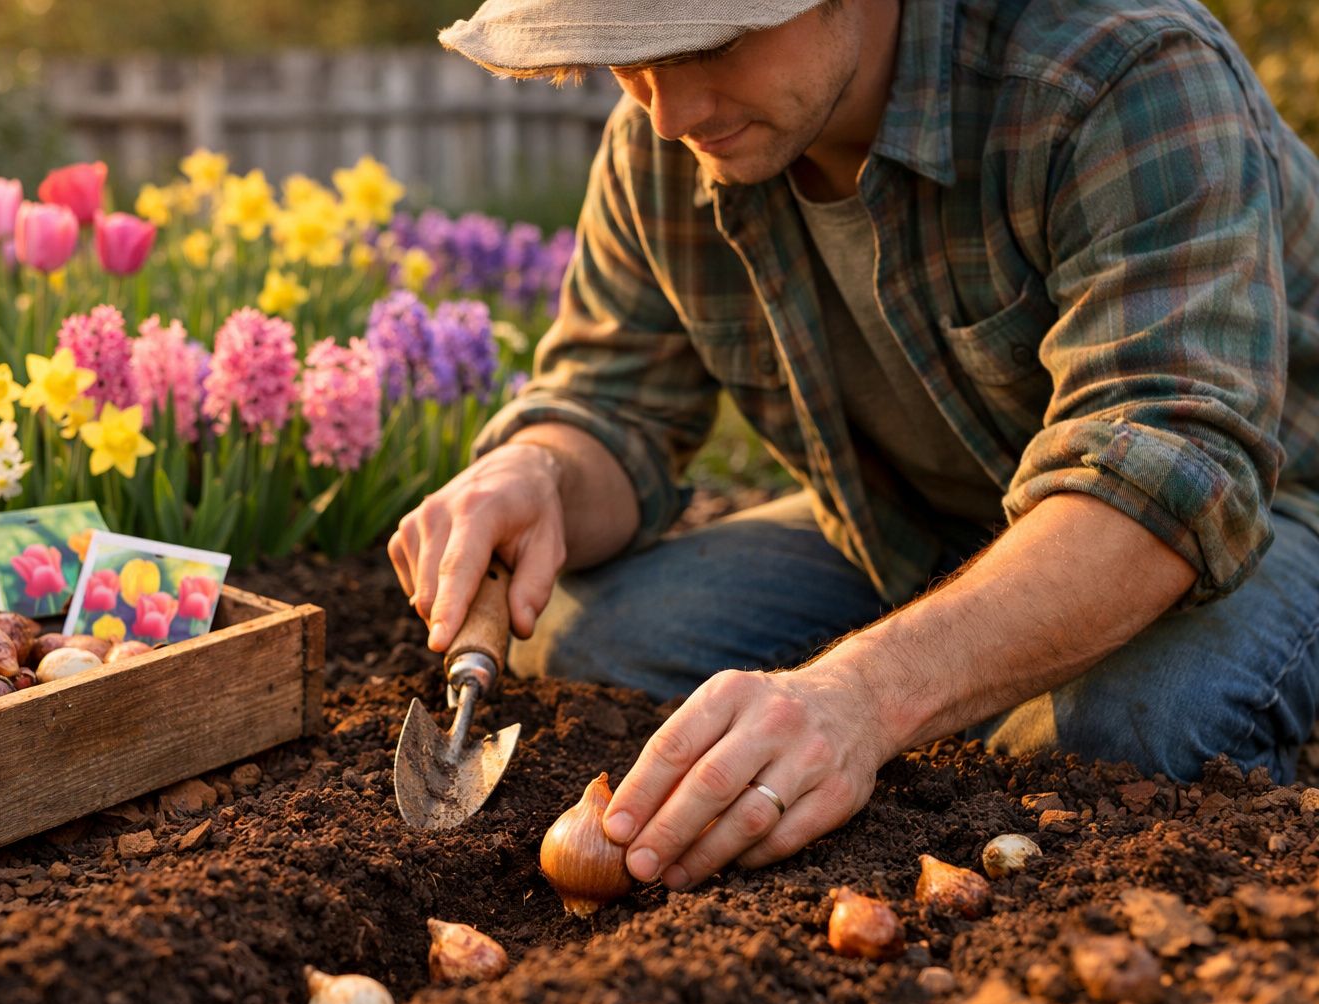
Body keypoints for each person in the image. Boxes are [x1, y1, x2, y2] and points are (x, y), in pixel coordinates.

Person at [389, 0, 1319, 892]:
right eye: (630, 61)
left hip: (1266, 514)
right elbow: (611, 402)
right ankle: (987, 668)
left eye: (708, 44)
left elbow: (1169, 469)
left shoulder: (1115, 73)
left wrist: (864, 699)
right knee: (592, 634)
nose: (669, 114)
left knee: (1129, 735)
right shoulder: (666, 144)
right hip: (911, 523)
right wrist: (542, 468)